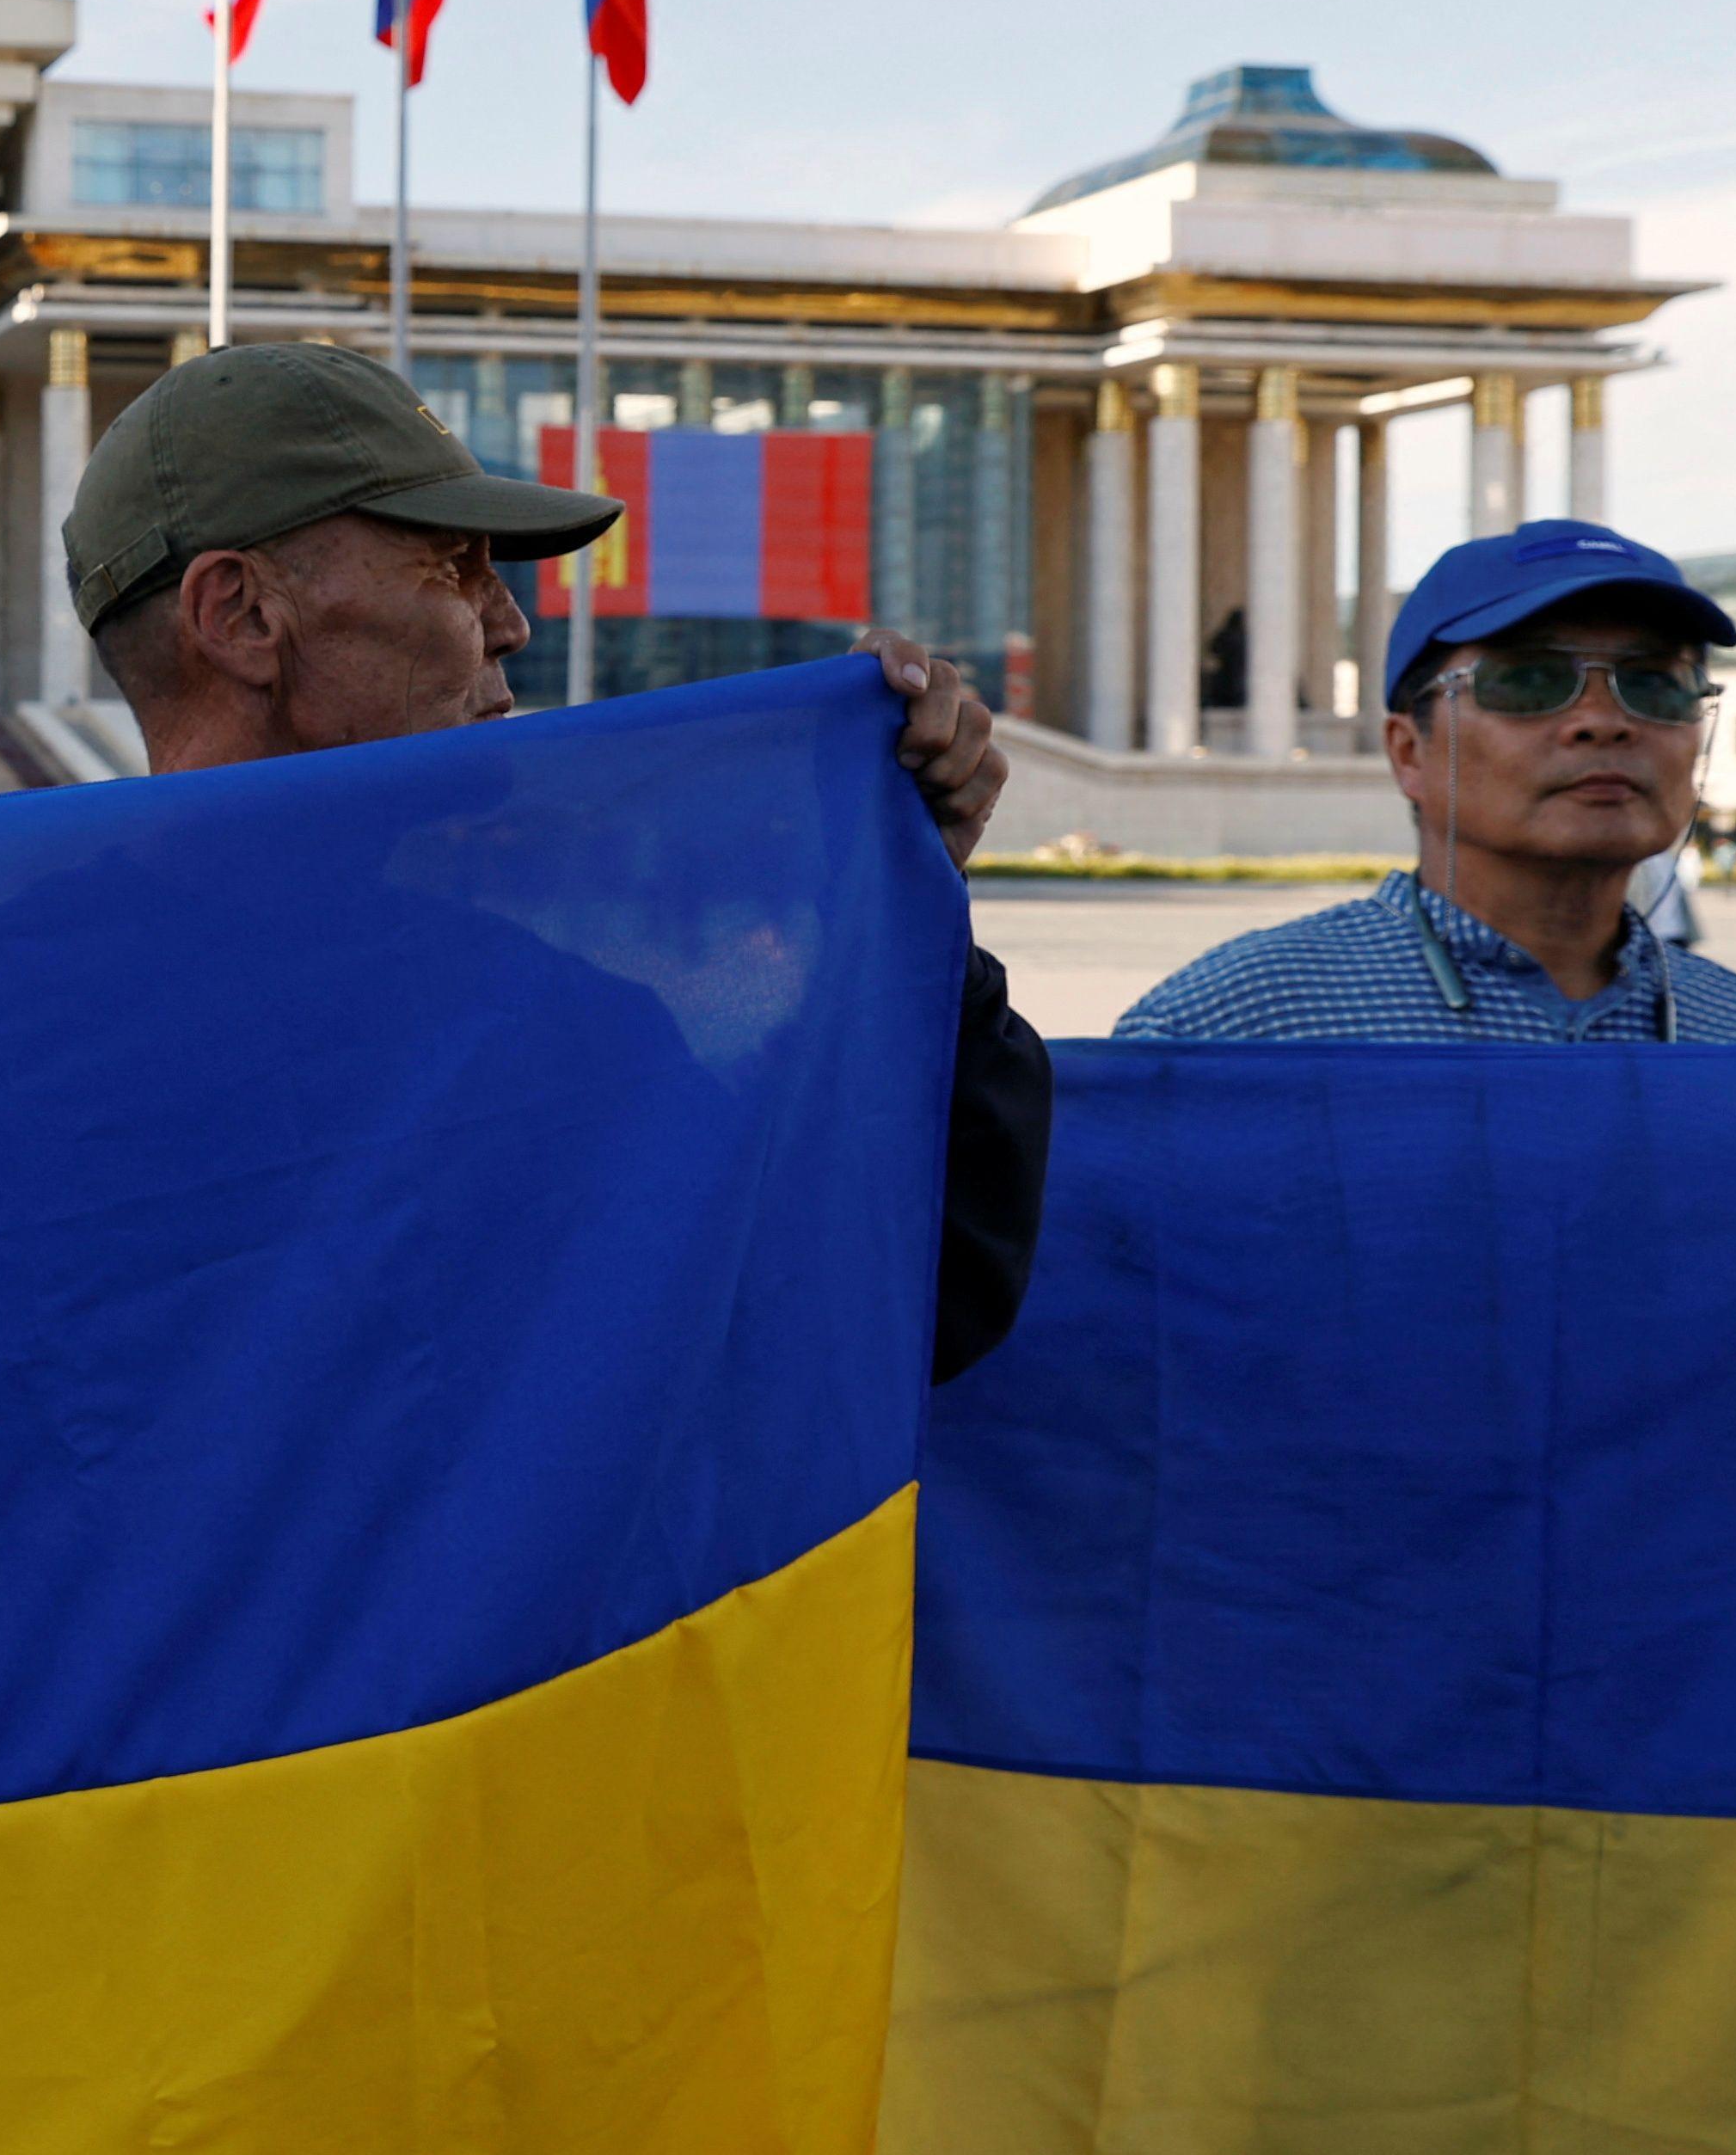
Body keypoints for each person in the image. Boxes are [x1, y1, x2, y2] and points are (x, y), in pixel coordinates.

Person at [64, 341, 1049, 1379]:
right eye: (453, 568)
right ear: (242, 615)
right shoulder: (536, 1034)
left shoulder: (555, 1032)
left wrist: (896, 904)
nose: (512, 622)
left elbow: (886, 1294)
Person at [1117, 520, 1736, 1045]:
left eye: (1655, 682)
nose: (1603, 721)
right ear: (1408, 750)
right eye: (1530, 679)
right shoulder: (1230, 1029)